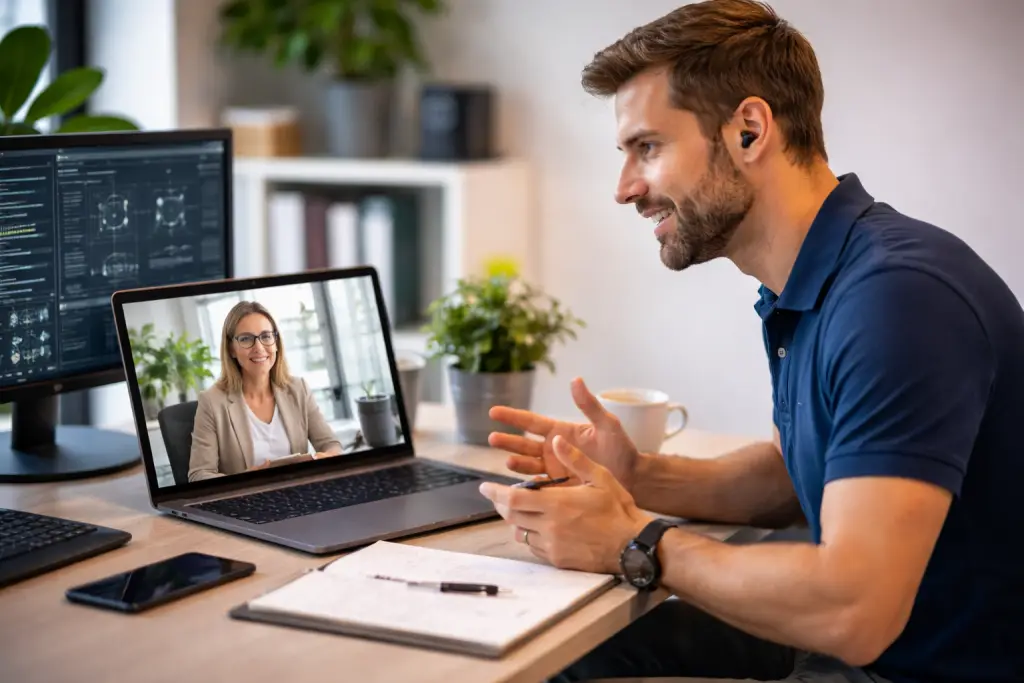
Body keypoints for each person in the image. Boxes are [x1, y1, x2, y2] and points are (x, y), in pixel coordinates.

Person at [476, 1, 1024, 682]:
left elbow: (854, 609)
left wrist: (633, 538)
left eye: (647, 147)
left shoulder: (897, 299)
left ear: (749, 130)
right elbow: (797, 475)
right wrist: (638, 475)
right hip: (871, 647)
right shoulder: (819, 279)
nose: (625, 189)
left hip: (913, 665)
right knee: (569, 657)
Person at [188, 301, 342, 481]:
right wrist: (247, 478)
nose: (259, 347)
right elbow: (198, 475)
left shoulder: (298, 389)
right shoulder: (211, 402)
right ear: (231, 349)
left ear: (276, 342)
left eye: (266, 336)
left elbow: (331, 444)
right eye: (246, 339)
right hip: (245, 501)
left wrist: (325, 458)